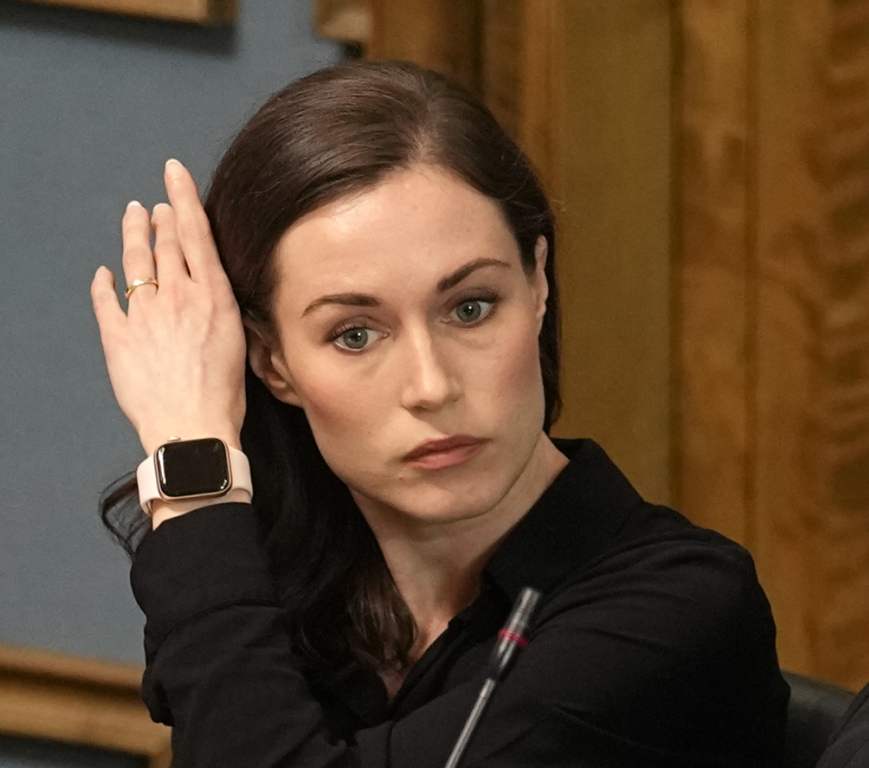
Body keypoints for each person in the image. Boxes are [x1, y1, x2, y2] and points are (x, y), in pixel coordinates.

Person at [90, 61, 789, 767]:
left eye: (471, 308)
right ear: (272, 363)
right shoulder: (274, 575)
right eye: (354, 334)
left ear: (537, 284)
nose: (430, 386)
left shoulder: (678, 611)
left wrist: (193, 473)